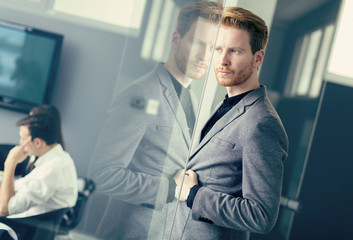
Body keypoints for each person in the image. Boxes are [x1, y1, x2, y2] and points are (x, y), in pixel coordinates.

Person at [87, 2, 222, 239]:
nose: (204, 56)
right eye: (198, 42)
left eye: (213, 47)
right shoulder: (142, 93)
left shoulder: (194, 100)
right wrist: (170, 188)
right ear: (176, 39)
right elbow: (102, 175)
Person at [172, 6, 289, 240]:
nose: (223, 60)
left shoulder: (262, 123)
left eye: (234, 51)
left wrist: (193, 194)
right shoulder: (227, 104)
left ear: (258, 58)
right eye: (218, 49)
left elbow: (261, 215)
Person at [0, 113, 77, 218]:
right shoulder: (58, 158)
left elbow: (4, 209)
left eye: (22, 138)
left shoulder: (51, 170)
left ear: (37, 142)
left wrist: (10, 163)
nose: (20, 143)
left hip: (20, 227)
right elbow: (21, 185)